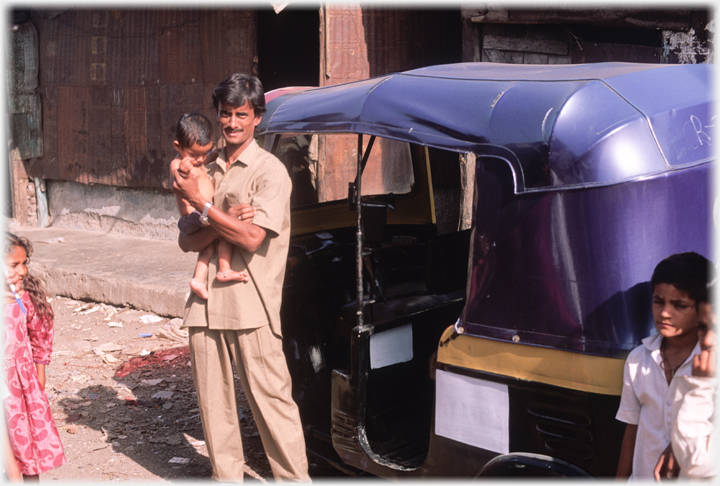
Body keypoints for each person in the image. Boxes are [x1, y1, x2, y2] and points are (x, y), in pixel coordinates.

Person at [173, 73, 309, 481]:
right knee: (215, 410)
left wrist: (207, 210)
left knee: (273, 405)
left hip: (252, 305)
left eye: (242, 115)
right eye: (226, 114)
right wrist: (221, 216)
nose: (232, 123)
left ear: (257, 118)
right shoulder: (203, 166)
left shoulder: (270, 173)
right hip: (205, 304)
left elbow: (250, 238)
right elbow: (189, 243)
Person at [615, 252, 711, 480]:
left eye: (679, 305)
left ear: (703, 309)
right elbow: (632, 428)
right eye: (658, 302)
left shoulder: (710, 367)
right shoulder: (638, 359)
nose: (665, 313)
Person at [3, 233, 66, 480]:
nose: (22, 271)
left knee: (26, 448)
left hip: (21, 385)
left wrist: (39, 378)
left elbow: (41, 335)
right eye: (13, 265)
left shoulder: (22, 300)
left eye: (24, 263)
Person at [170, 113, 249, 300]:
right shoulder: (178, 164)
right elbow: (177, 178)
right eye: (194, 155)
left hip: (201, 215)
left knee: (210, 247)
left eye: (204, 153)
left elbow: (201, 159)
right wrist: (183, 171)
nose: (199, 159)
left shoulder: (196, 160)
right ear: (177, 147)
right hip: (194, 216)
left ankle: (202, 278)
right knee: (225, 227)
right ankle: (224, 269)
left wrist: (211, 156)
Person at [656, 278, 716, 479]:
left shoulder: (701, 380)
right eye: (703, 327)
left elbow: (695, 461)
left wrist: (700, 388)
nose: (707, 340)